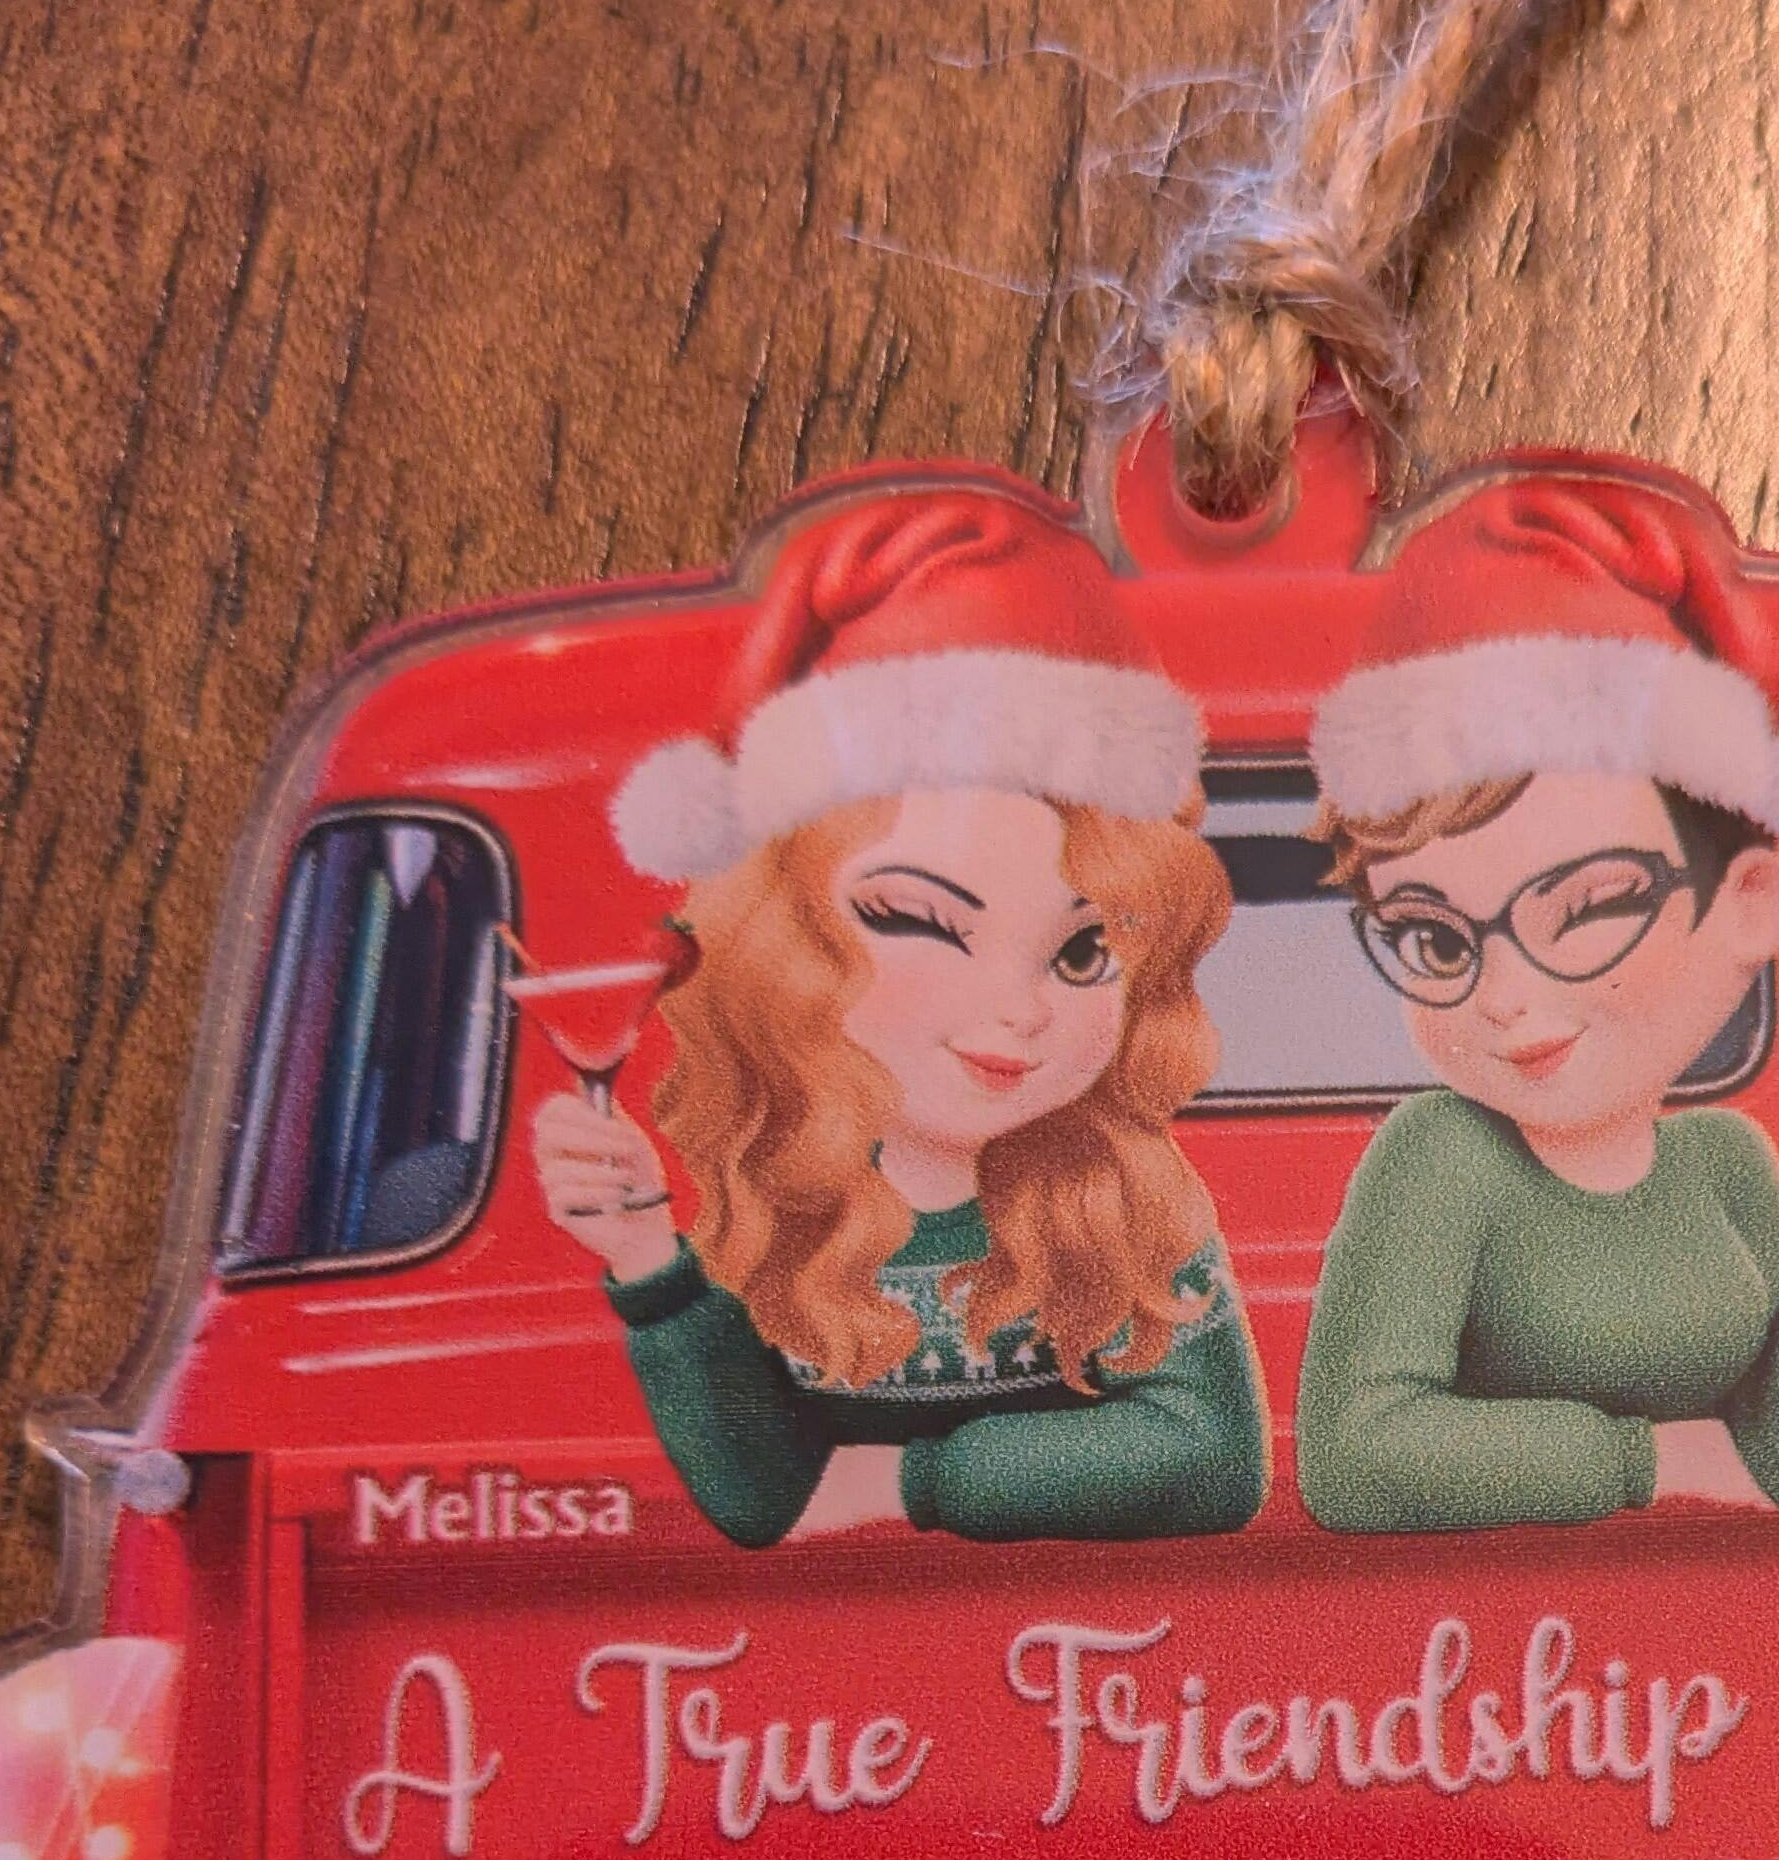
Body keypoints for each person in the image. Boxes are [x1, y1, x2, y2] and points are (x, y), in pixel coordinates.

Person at [536, 492, 1266, 1546]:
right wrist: (646, 1255)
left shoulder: (1124, 1190)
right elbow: (760, 1500)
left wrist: (912, 1479)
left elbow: (1209, 1459)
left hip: (1108, 1645)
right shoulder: (769, 1187)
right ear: (787, 940)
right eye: (921, 921)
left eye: (1081, 953)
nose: (1019, 1010)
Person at [1292, 490, 1779, 1535]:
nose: (1503, 997)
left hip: (1686, 1635)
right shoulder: (1442, 1154)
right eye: (1437, 942)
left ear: (1748, 903)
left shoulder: (1724, 1164)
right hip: (1495, 1630)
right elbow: (1355, 1457)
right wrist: (1646, 1456)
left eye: (1584, 910)